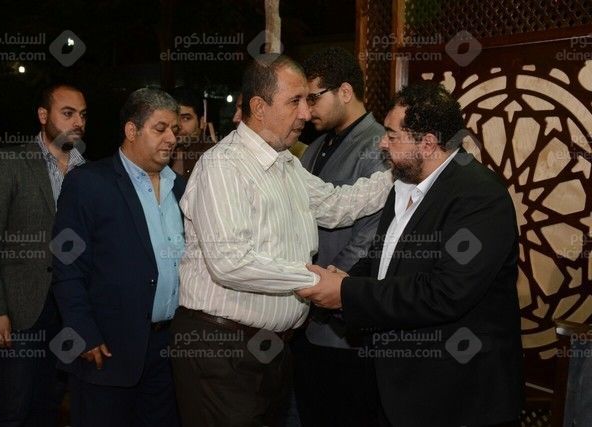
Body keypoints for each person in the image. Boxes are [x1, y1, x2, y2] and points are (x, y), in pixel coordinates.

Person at [170, 54, 393, 427]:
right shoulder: (224, 166)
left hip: (270, 348)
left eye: (308, 100)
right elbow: (231, 263)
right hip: (221, 349)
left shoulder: (286, 163)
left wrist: (400, 172)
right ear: (259, 107)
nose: (306, 113)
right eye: (295, 101)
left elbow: (337, 205)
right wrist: (316, 282)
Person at [297, 82, 523, 427]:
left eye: (391, 135)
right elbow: (384, 260)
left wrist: (347, 293)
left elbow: (444, 292)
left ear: (427, 143)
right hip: (399, 390)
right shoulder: (403, 185)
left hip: (457, 398)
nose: (381, 143)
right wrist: (345, 279)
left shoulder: (479, 196)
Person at [52, 88, 185, 427]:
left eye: (174, 130)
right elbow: (66, 265)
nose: (171, 138)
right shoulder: (88, 183)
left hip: (168, 351)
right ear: (131, 130)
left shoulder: (181, 188)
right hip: (106, 349)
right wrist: (83, 331)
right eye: (160, 128)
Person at [0, 83, 87, 425]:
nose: (78, 122)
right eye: (67, 113)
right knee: (12, 408)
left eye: (83, 115)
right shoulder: (8, 161)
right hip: (19, 310)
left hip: (69, 312)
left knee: (49, 406)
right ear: (43, 115)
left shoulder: (87, 171)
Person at [293, 46, 388, 426]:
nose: (306, 110)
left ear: (345, 92)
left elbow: (369, 237)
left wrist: (329, 287)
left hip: (341, 319)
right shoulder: (314, 146)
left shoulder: (378, 145)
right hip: (307, 314)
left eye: (313, 98)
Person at [169, 86, 215, 178]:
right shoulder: (162, 151)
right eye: (174, 118)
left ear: (201, 122)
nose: (179, 125)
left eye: (186, 118)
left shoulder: (212, 156)